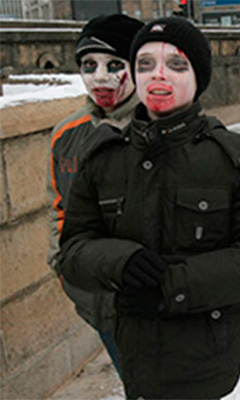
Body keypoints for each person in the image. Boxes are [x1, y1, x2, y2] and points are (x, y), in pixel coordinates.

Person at [58, 17, 240, 399]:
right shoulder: (103, 158)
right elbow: (73, 249)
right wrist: (120, 261)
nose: (158, 75)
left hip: (206, 357)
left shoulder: (239, 160)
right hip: (135, 351)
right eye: (145, 64)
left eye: (176, 65)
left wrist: (171, 287)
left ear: (198, 78)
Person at [48, 14, 144, 377]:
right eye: (89, 65)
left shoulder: (159, 126)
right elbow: (58, 210)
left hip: (160, 303)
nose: (100, 77)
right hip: (98, 302)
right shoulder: (66, 135)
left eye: (114, 65)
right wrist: (65, 271)